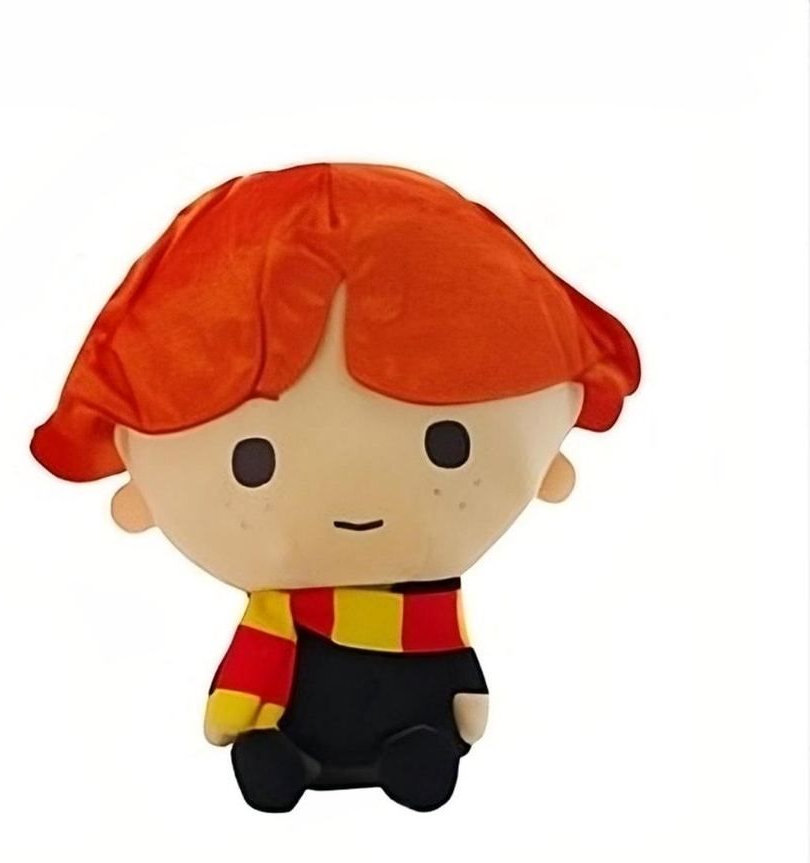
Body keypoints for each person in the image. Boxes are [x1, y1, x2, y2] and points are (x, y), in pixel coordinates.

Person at [31, 163, 640, 811]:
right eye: (253, 462)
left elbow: (451, 665)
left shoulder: (426, 616)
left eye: (448, 445)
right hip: (296, 735)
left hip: (415, 730)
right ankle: (283, 760)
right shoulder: (320, 619)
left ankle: (412, 754)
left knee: (422, 744)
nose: (357, 495)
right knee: (281, 753)